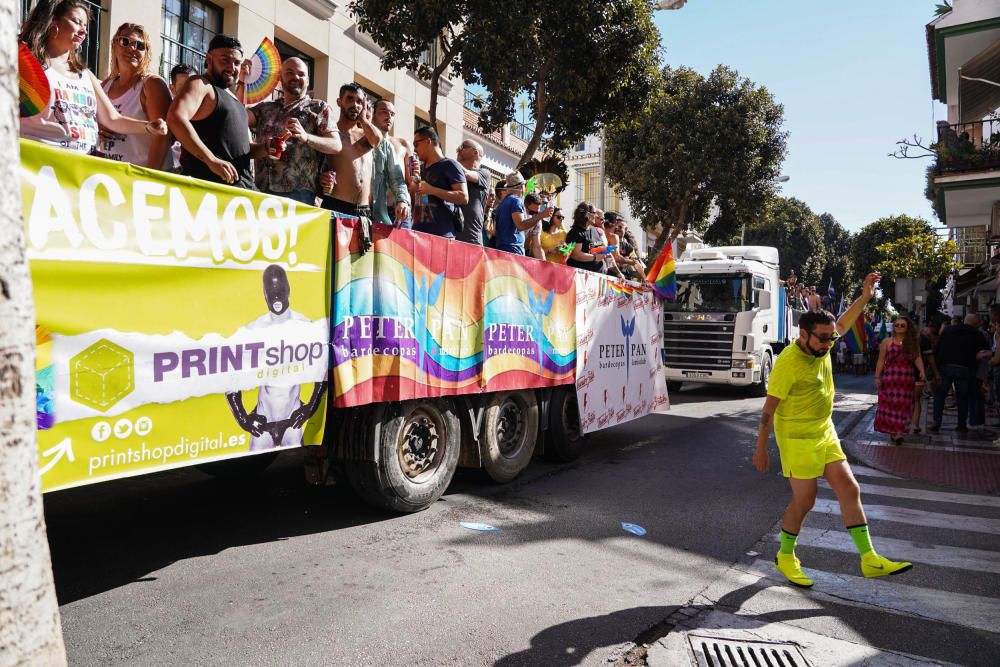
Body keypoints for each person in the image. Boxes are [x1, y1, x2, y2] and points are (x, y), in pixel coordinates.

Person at [755, 272, 913, 588]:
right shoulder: (789, 362)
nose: (830, 342)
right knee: (806, 500)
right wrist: (761, 448)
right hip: (797, 437)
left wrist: (866, 296)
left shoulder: (823, 342)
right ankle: (786, 556)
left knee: (850, 488)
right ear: (803, 335)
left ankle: (869, 559)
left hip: (824, 431)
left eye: (830, 337)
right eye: (823, 338)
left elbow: (842, 323)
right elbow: (769, 409)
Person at [18, 0, 167, 156]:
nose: (84, 31)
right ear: (52, 22)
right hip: (39, 166)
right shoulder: (27, 65)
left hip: (82, 171)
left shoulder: (86, 75)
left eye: (85, 26)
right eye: (77, 22)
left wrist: (148, 127)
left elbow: (113, 119)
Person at [226, 265, 326, 451]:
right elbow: (231, 378)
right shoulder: (254, 329)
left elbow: (322, 372)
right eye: (272, 292)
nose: (277, 297)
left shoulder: (304, 326)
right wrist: (243, 419)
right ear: (264, 294)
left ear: (288, 289)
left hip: (292, 421)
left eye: (280, 290)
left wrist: (309, 408)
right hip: (264, 422)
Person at [247, 57, 341, 204]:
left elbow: (336, 145)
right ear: (280, 78)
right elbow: (237, 117)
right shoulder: (265, 108)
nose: (296, 77)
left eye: (301, 74)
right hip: (261, 190)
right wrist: (241, 81)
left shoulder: (319, 108)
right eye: (289, 72)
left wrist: (306, 137)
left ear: (308, 80)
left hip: (299, 194)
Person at [167, 34, 255, 188]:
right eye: (225, 60)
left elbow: (240, 149)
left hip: (243, 194)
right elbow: (175, 118)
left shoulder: (235, 101)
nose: (231, 67)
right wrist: (210, 159)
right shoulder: (200, 84)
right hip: (210, 193)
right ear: (208, 59)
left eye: (236, 63)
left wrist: (266, 147)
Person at [98, 23, 172, 169]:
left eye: (140, 45)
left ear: (146, 53)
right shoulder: (104, 86)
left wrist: (148, 178)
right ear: (114, 45)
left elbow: (162, 136)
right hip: (109, 173)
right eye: (125, 41)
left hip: (140, 176)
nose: (132, 48)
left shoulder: (152, 85)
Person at [318, 83, 382, 217]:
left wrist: (364, 118)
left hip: (364, 210)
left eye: (359, 101)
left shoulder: (365, 134)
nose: (355, 105)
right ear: (339, 102)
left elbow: (377, 141)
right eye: (350, 99)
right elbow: (316, 166)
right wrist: (321, 178)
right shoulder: (331, 133)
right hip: (336, 205)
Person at [929, 314, 991, 434]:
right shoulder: (977, 334)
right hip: (965, 369)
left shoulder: (948, 330)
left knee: (940, 394)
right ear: (976, 323)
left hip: (945, 367)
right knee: (962, 397)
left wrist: (935, 370)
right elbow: (983, 353)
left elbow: (938, 348)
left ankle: (937, 421)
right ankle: (961, 425)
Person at [874, 315, 925, 445]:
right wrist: (877, 377)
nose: (899, 327)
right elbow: (881, 360)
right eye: (896, 325)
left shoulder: (913, 342)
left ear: (907, 328)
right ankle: (894, 431)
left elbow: (917, 358)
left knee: (903, 404)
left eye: (902, 325)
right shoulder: (886, 341)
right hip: (890, 378)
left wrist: (922, 370)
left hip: (906, 379)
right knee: (890, 404)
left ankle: (898, 432)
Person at [409, 126, 468, 239]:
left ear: (428, 141)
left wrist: (432, 190)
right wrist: (415, 181)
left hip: (442, 236)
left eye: (416, 144)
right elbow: (423, 201)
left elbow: (464, 197)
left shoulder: (450, 165)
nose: (415, 149)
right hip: (418, 234)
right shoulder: (421, 169)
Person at [368, 100, 410, 226]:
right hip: (369, 208)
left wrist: (417, 178)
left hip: (398, 210)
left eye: (392, 114)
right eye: (384, 112)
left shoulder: (402, 145)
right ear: (373, 114)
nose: (389, 117)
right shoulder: (362, 141)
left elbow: (411, 183)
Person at [493, 172, 551, 255]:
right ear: (521, 186)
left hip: (502, 250)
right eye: (524, 185)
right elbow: (520, 225)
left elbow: (495, 231)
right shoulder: (516, 200)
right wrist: (541, 215)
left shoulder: (501, 204)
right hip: (513, 251)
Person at [455, 139, 491, 245]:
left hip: (471, 237)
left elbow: (466, 174)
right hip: (452, 234)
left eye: (463, 146)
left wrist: (452, 162)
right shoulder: (455, 171)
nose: (458, 149)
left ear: (475, 152)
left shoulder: (484, 173)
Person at [565, 203, 607, 273]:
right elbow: (575, 255)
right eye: (594, 213)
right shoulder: (575, 232)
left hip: (599, 276)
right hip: (582, 277)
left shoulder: (595, 230)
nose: (596, 215)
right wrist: (595, 257)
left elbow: (601, 250)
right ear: (586, 214)